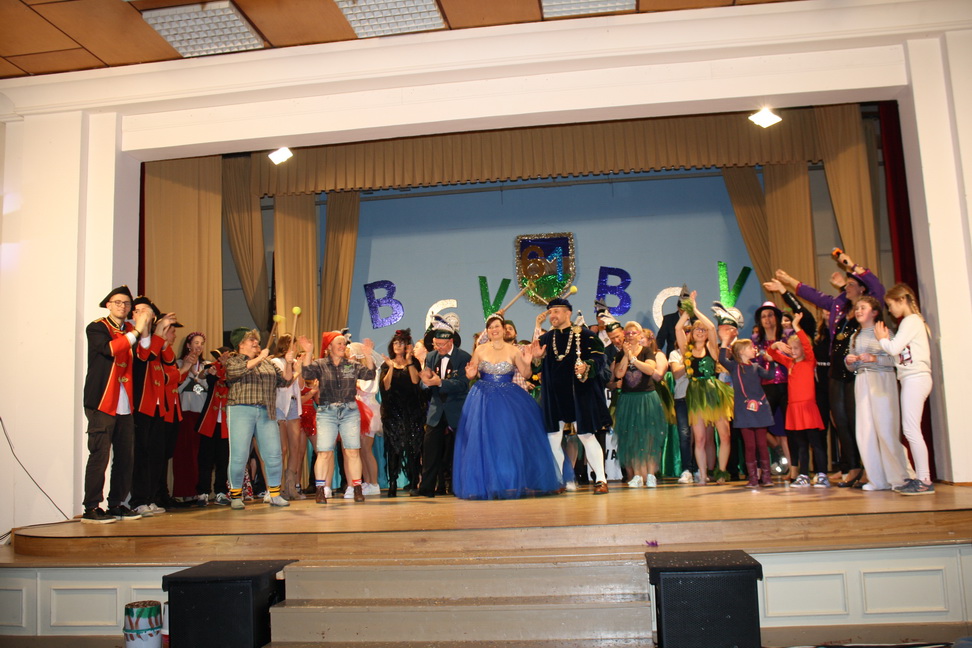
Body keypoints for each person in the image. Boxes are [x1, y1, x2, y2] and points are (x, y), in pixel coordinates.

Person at [776, 250, 885, 487]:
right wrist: (788, 281)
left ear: (862, 289)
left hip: (858, 371)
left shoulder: (867, 308)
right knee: (841, 422)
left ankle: (869, 468)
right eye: (846, 285)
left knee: (858, 420)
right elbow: (813, 296)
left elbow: (878, 288)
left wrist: (852, 265)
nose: (846, 287)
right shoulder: (839, 307)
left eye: (851, 284)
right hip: (837, 372)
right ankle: (853, 467)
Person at [453, 313, 562, 499]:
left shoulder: (514, 351)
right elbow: (472, 373)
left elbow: (526, 374)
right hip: (482, 400)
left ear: (503, 329)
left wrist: (528, 362)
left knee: (507, 441)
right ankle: (488, 483)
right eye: (490, 327)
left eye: (497, 326)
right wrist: (470, 374)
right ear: (487, 331)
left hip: (507, 399)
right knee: (484, 441)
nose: (494, 330)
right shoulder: (480, 349)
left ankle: (509, 482)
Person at [81, 286, 154, 523]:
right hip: (102, 399)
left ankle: (117, 504)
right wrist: (137, 331)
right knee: (100, 455)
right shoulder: (97, 327)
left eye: (126, 303)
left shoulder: (131, 330)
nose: (122, 307)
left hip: (124, 402)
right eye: (118, 302)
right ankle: (91, 507)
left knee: (125, 457)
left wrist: (146, 327)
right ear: (108, 305)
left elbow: (145, 354)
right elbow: (111, 349)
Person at [531, 297, 613, 493]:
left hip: (579, 394)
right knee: (553, 438)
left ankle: (600, 479)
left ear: (568, 313)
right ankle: (559, 480)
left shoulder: (586, 335)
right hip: (554, 395)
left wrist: (587, 366)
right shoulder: (545, 339)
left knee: (586, 435)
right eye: (550, 312)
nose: (552, 316)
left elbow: (599, 358)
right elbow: (536, 368)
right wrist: (536, 359)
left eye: (556, 311)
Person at [298, 331, 376, 503]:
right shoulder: (320, 364)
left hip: (349, 411)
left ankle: (356, 487)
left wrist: (368, 356)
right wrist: (309, 352)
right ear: (329, 347)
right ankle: (320, 489)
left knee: (352, 450)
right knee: (324, 452)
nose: (342, 346)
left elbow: (370, 375)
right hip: (327, 412)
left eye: (344, 344)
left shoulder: (351, 365)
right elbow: (307, 374)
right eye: (339, 343)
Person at [224, 327, 295, 509]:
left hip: (266, 410)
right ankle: (236, 496)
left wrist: (288, 363)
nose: (256, 343)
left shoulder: (267, 363)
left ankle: (274, 494)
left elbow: (286, 381)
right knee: (239, 455)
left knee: (274, 453)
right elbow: (237, 371)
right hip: (241, 409)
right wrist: (261, 357)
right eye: (251, 340)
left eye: (256, 340)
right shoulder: (233, 360)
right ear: (240, 345)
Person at [845, 296, 911, 491]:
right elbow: (851, 368)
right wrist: (849, 361)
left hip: (882, 379)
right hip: (862, 380)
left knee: (886, 429)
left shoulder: (884, 332)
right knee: (865, 431)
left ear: (874, 312)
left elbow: (896, 359)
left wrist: (874, 358)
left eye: (863, 307)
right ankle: (877, 480)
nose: (858, 311)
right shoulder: (855, 336)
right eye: (857, 308)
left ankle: (899, 478)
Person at [875, 283, 934, 495]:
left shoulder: (911, 321)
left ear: (901, 300)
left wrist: (882, 339)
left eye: (891, 305)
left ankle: (924, 479)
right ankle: (921, 478)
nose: (890, 310)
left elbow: (893, 348)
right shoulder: (911, 322)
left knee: (911, 430)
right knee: (911, 429)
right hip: (912, 378)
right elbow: (898, 357)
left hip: (916, 378)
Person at [675, 291, 733, 485]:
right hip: (696, 394)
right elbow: (677, 328)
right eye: (696, 329)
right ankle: (702, 473)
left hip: (713, 392)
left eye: (702, 330)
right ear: (691, 333)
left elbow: (710, 326)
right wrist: (688, 310)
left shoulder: (712, 348)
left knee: (724, 434)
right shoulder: (687, 351)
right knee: (699, 439)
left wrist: (696, 309)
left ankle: (721, 472)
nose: (700, 331)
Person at [767, 312, 829, 488]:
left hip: (807, 408)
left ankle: (822, 474)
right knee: (801, 444)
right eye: (791, 348)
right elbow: (772, 353)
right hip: (794, 409)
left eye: (796, 348)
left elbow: (807, 346)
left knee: (815, 443)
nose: (793, 351)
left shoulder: (809, 361)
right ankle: (804, 475)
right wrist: (777, 344)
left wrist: (796, 326)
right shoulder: (790, 363)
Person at [129, 296, 178, 517]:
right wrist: (158, 332)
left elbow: (168, 361)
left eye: (147, 311)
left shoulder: (155, 338)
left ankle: (150, 497)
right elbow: (144, 355)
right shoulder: (132, 334)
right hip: (141, 403)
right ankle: (138, 500)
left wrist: (162, 336)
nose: (144, 314)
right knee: (141, 453)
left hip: (158, 405)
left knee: (156, 454)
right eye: (139, 310)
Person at [416, 316, 471, 497]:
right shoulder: (431, 357)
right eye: (436, 344)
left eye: (441, 344)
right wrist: (425, 382)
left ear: (450, 342)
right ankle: (426, 488)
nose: (438, 347)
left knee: (459, 451)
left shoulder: (463, 357)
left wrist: (440, 383)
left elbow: (462, 384)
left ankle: (459, 487)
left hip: (456, 409)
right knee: (430, 449)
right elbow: (425, 382)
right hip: (436, 409)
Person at [612, 322, 670, 488]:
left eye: (633, 333)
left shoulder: (646, 351)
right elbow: (619, 374)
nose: (630, 336)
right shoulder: (620, 354)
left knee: (649, 437)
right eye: (627, 333)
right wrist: (625, 356)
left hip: (646, 398)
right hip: (628, 399)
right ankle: (637, 475)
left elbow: (650, 370)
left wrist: (633, 358)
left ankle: (651, 475)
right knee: (632, 438)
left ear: (639, 335)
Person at [718, 333, 775, 488]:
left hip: (760, 408)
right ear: (741, 352)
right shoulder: (735, 367)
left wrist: (771, 362)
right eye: (751, 348)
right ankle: (753, 478)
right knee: (749, 445)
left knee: (762, 444)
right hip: (744, 410)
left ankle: (767, 476)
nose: (754, 349)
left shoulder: (756, 367)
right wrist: (724, 342)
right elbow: (722, 359)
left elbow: (770, 375)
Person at [379, 329, 425, 498]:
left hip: (412, 411)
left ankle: (413, 482)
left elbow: (415, 381)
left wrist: (409, 361)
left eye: (402, 343)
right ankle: (392, 482)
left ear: (407, 345)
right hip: (393, 412)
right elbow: (386, 386)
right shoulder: (387, 364)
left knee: (413, 447)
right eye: (396, 343)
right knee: (394, 448)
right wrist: (391, 368)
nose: (398, 346)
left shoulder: (413, 363)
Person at [194, 346, 230, 506]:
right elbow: (201, 377)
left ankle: (221, 492)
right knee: (205, 458)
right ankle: (203, 492)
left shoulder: (234, 371)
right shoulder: (211, 367)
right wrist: (209, 372)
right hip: (210, 420)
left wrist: (227, 368)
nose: (223, 358)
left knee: (223, 459)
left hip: (226, 422)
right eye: (221, 356)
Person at [272, 334, 304, 500]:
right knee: (282, 448)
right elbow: (285, 383)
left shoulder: (294, 362)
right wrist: (293, 369)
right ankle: (276, 487)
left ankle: (291, 486)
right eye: (294, 345)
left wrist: (299, 370)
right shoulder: (276, 362)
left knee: (295, 446)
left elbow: (301, 386)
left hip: (293, 405)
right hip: (280, 405)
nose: (296, 348)